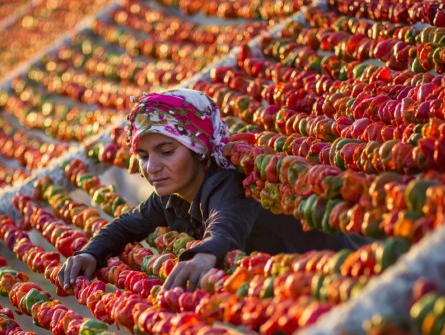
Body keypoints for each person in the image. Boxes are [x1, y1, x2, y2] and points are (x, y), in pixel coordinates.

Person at [58, 88, 363, 291]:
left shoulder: (233, 181)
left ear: (200, 150)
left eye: (166, 151)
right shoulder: (171, 198)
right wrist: (90, 253)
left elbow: (225, 224)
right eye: (143, 156)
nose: (151, 167)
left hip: (343, 277)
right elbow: (128, 224)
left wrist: (204, 256)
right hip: (287, 289)